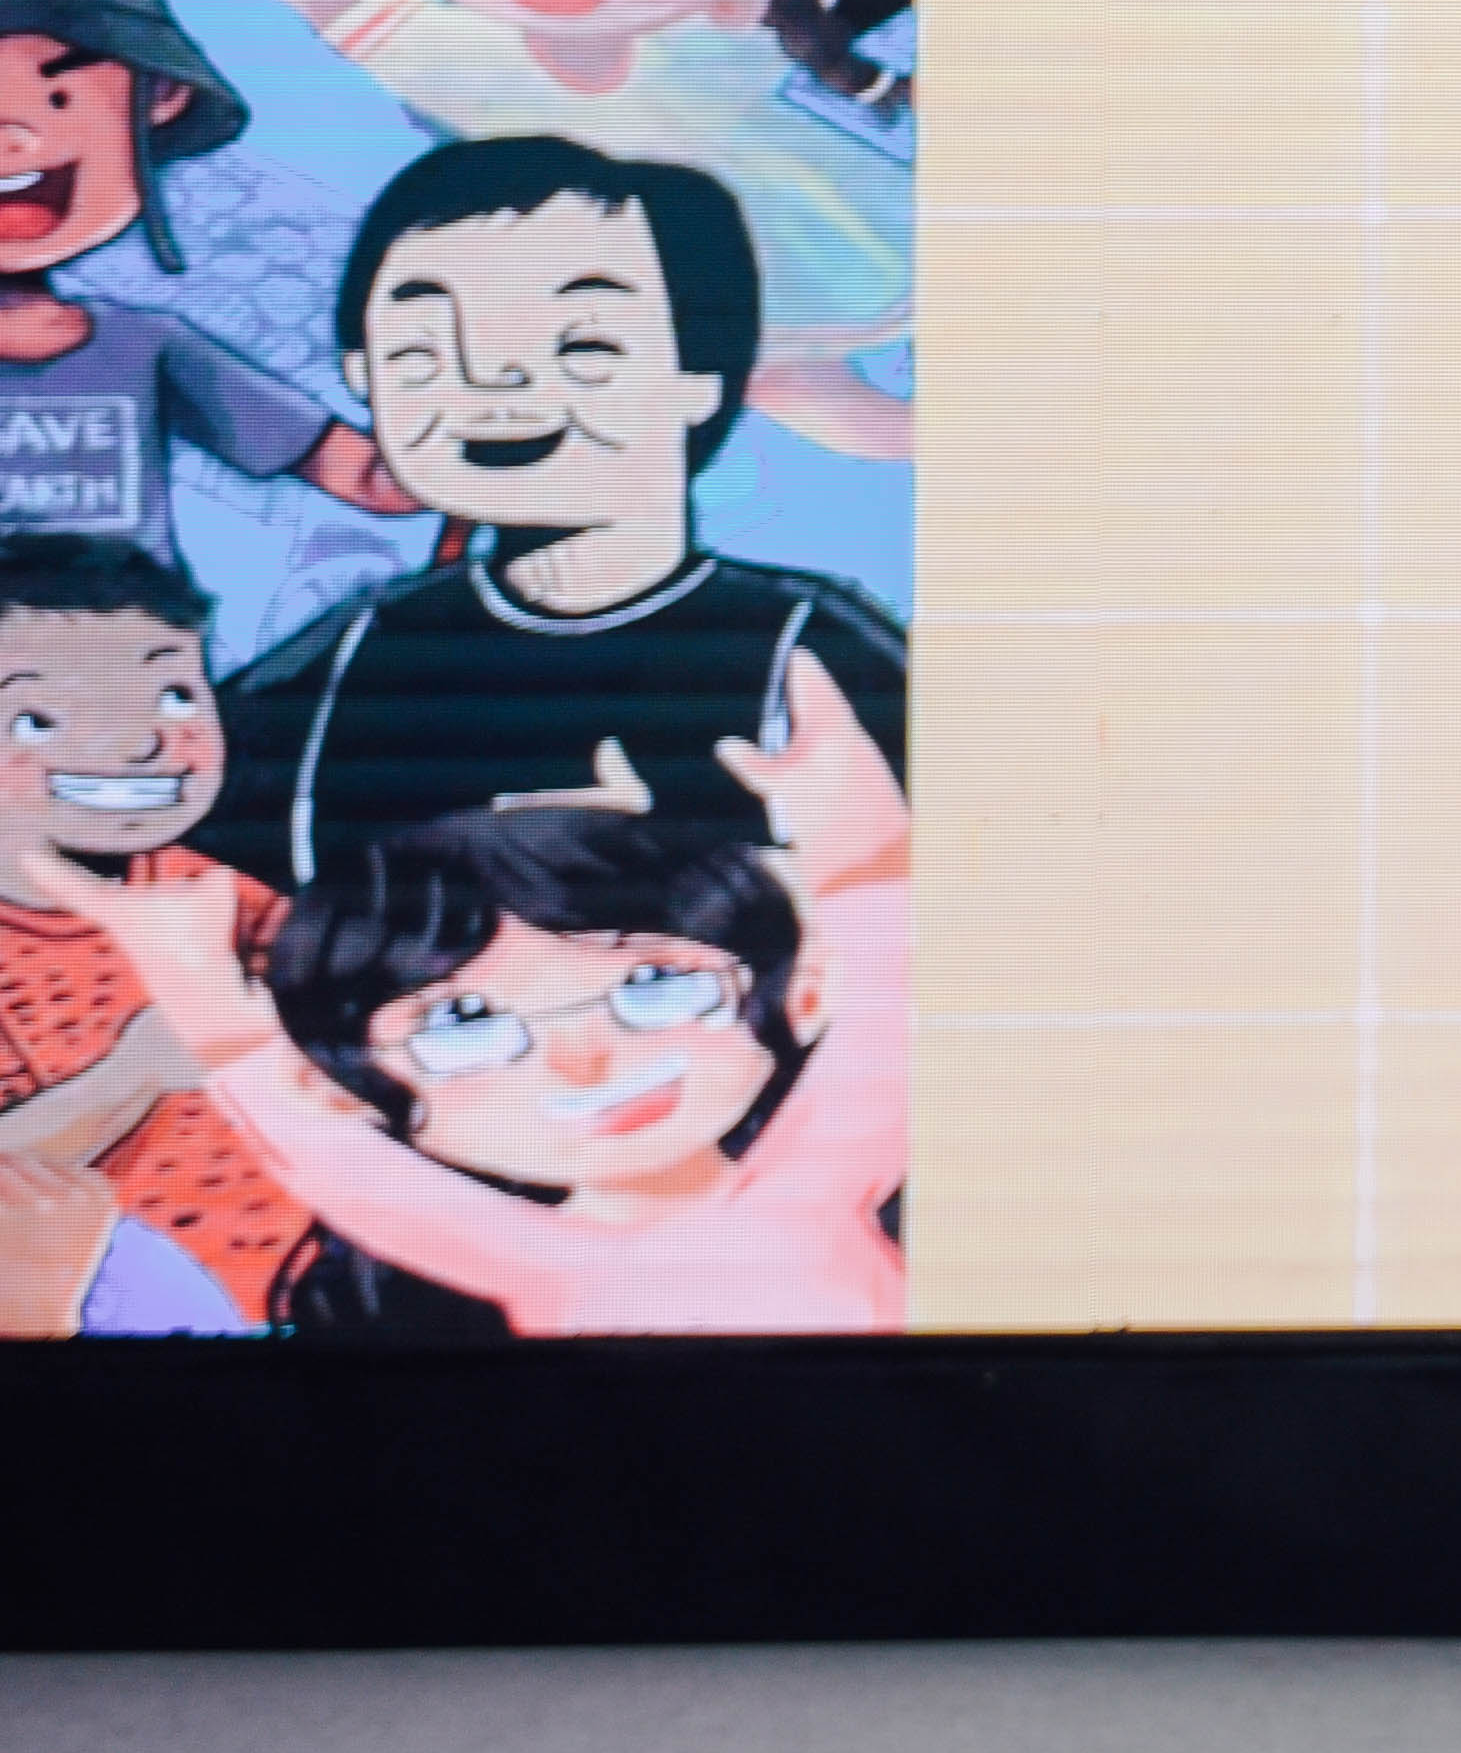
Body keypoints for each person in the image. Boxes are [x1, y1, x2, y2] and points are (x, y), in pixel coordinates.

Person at [25, 652, 909, 1335]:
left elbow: (889, 1012)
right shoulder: (531, 1255)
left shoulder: (817, 1172)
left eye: (650, 984)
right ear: (349, 1084)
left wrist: (858, 828)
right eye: (465, 1024)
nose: (584, 1056)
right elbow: (325, 1156)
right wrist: (187, 975)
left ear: (799, 991)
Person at [163, 0, 917, 461]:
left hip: (827, 218)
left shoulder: (715, 19)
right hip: (701, 266)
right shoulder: (465, 59)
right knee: (793, 389)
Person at [196, 139, 909, 884]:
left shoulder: (804, 647)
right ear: (364, 375)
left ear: (699, 373)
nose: (491, 384)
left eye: (582, 346)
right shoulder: (357, 650)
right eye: (423, 352)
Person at [0, 0, 407, 548]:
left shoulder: (141, 348)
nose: (11, 140)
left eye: (58, 97)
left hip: (124, 645)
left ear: (161, 97)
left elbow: (368, 480)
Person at [0, 533, 302, 1331]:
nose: (137, 744)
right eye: (39, 718)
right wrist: (134, 1073)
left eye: (172, 696)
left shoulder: (230, 900)